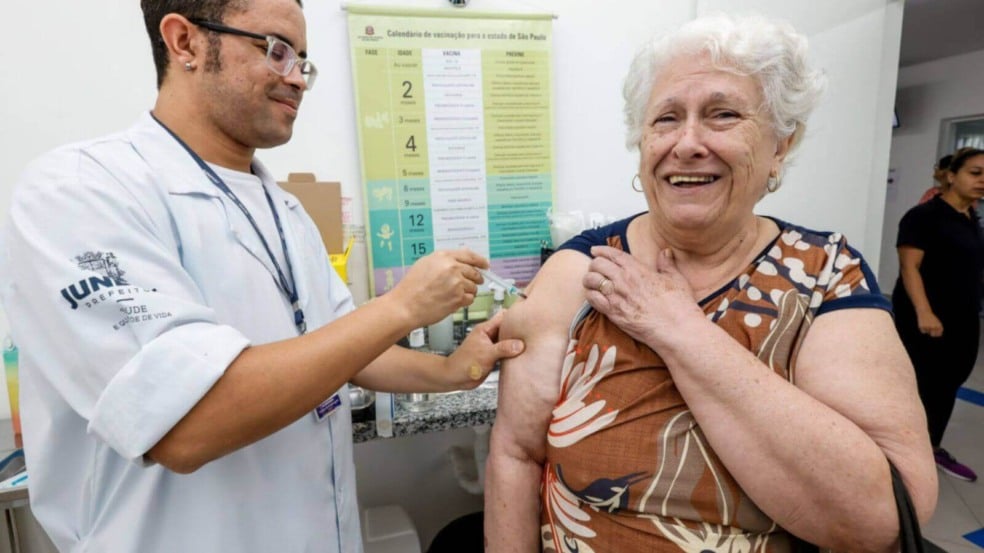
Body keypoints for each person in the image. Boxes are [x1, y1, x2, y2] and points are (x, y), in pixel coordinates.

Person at [0, 1, 524, 551]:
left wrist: (451, 372)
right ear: (185, 43)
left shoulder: (284, 209)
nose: (297, 77)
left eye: (302, 59)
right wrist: (401, 307)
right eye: (275, 49)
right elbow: (185, 425)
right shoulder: (82, 192)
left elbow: (347, 345)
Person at [485, 14, 937, 552]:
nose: (688, 142)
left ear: (781, 145)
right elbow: (514, 455)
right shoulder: (581, 269)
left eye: (723, 115)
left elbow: (883, 519)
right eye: (666, 119)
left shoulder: (826, 275)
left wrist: (680, 330)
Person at [892, 147, 984, 483]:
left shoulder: (970, 218)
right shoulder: (923, 217)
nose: (982, 181)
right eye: (975, 172)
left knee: (948, 384)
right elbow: (909, 267)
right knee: (920, 385)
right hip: (927, 319)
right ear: (950, 175)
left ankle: (930, 447)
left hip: (963, 317)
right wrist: (924, 312)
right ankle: (900, 454)